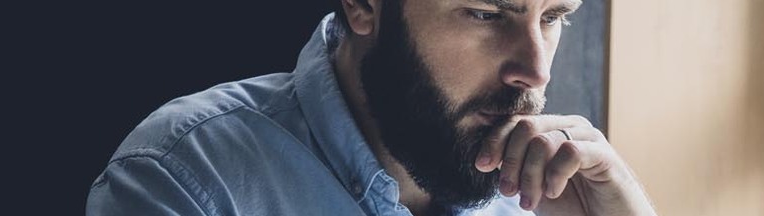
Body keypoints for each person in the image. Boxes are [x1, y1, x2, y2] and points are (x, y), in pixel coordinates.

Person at [85, 0, 655, 215]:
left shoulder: (545, 199)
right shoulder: (185, 181)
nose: (536, 70)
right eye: (486, 12)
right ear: (364, 5)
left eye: (553, 17)